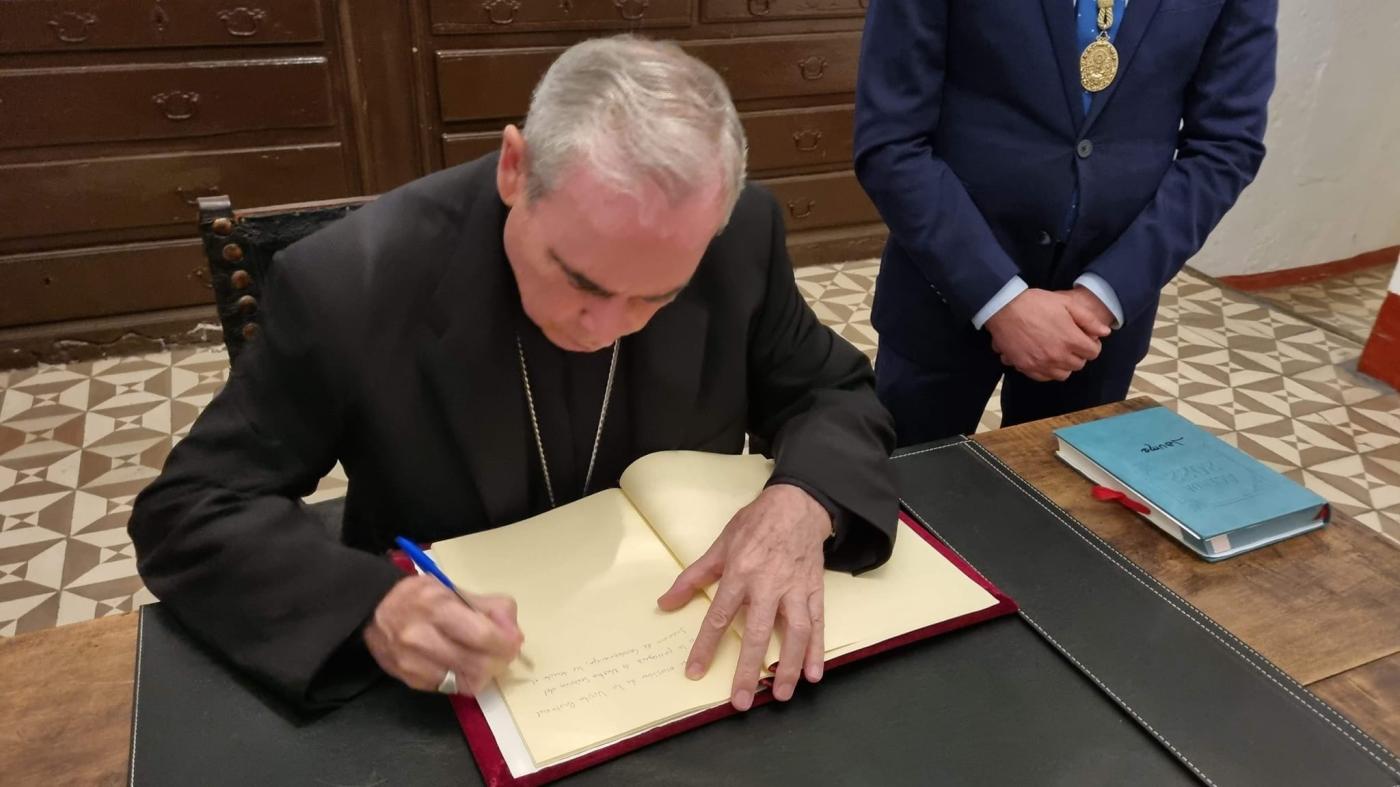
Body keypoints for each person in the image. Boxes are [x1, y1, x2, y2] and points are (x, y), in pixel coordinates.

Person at [129, 35, 897, 715]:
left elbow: (830, 390)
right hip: (461, 683)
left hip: (672, 661)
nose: (607, 328)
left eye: (654, 297)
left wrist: (806, 498)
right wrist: (372, 605)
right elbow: (188, 508)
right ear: (513, 168)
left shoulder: (740, 237)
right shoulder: (349, 283)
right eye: (582, 281)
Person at [854, 0, 1276, 444]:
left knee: (1055, 505)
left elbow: (1226, 147)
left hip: (1097, 328)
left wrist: (1102, 297)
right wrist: (998, 299)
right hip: (942, 294)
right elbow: (892, 142)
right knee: (900, 493)